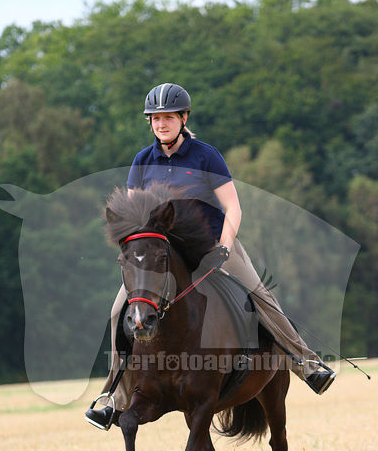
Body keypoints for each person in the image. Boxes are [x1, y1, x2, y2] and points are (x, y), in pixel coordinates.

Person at [85, 83, 335, 430]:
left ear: (183, 118)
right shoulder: (142, 160)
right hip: (163, 256)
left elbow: (233, 207)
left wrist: (225, 245)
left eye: (168, 118)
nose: (161, 124)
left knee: (259, 294)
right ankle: (113, 397)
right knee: (119, 311)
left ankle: (307, 364)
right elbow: (134, 217)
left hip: (210, 245)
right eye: (155, 119)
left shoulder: (206, 156)